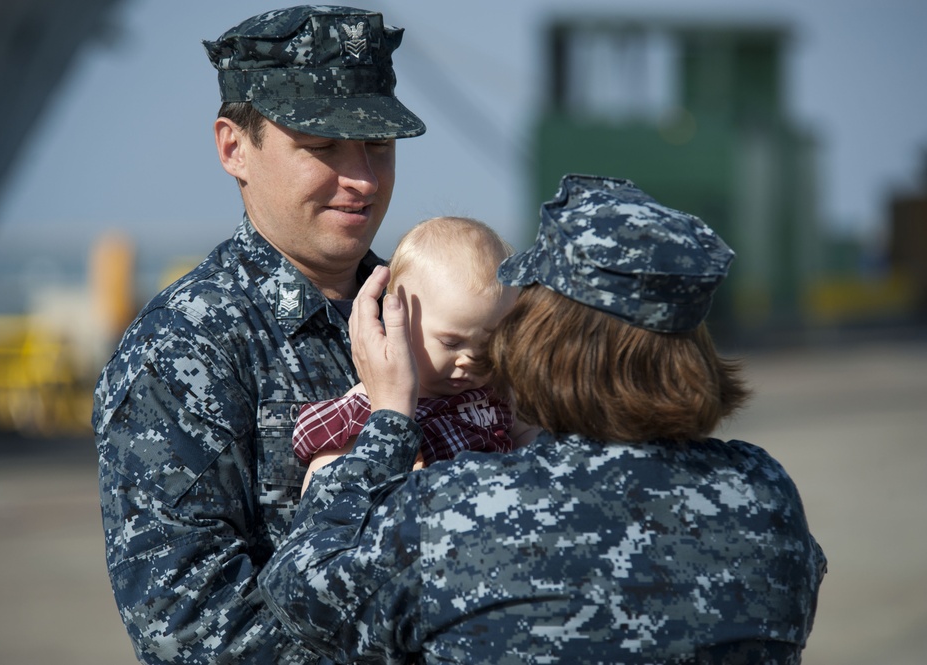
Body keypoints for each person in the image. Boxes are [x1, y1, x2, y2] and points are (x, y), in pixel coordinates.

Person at [259, 174, 828, 664]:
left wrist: (385, 422)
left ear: (547, 337)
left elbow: (301, 592)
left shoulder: (458, 508)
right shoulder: (765, 494)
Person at [91, 6, 425, 664]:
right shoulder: (184, 351)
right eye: (322, 146)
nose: (360, 177)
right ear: (233, 147)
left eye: (378, 146)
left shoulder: (429, 317)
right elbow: (193, 636)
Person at [293, 216, 537, 491]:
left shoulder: (496, 392)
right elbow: (319, 489)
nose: (470, 360)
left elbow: (532, 438)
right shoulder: (370, 403)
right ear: (400, 322)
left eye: (488, 345)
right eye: (451, 342)